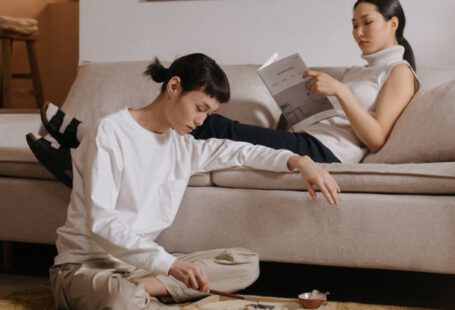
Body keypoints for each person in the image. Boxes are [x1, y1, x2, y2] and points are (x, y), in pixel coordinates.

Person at [33, 53, 339, 310]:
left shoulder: (183, 147)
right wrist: (172, 266)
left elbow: (241, 152)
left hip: (139, 269)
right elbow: (102, 224)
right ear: (174, 87)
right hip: (84, 267)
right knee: (122, 298)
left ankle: (147, 290)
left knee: (246, 263)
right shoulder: (109, 133)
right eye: (199, 108)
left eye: (209, 114)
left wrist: (300, 161)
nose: (200, 121)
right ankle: (148, 293)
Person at [27, 0, 419, 189]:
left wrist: (340, 93)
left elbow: (376, 136)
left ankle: (82, 145)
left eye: (366, 22)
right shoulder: (363, 70)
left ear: (393, 23)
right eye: (353, 24)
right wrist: (303, 102)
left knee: (207, 124)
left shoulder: (399, 71)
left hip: (326, 154)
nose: (358, 32)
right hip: (312, 137)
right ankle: (88, 144)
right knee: (197, 133)